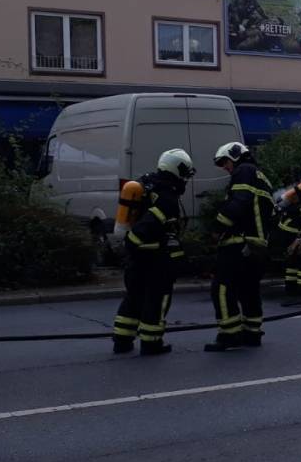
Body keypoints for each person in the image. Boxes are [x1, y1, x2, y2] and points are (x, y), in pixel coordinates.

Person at [112, 149, 193, 356]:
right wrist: (134, 242)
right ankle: (151, 342)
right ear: (177, 169)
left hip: (137, 258)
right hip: (155, 258)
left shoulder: (148, 184)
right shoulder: (167, 197)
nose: (185, 179)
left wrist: (131, 248)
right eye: (184, 173)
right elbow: (150, 224)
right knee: (157, 300)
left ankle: (122, 340)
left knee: (134, 297)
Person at [205, 142, 276, 352]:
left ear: (235, 156)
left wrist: (217, 227)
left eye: (225, 162)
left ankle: (229, 335)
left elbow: (239, 203)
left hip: (238, 243)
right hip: (257, 247)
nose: (225, 168)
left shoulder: (244, 171)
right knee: (249, 290)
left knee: (222, 288)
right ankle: (252, 333)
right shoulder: (262, 177)